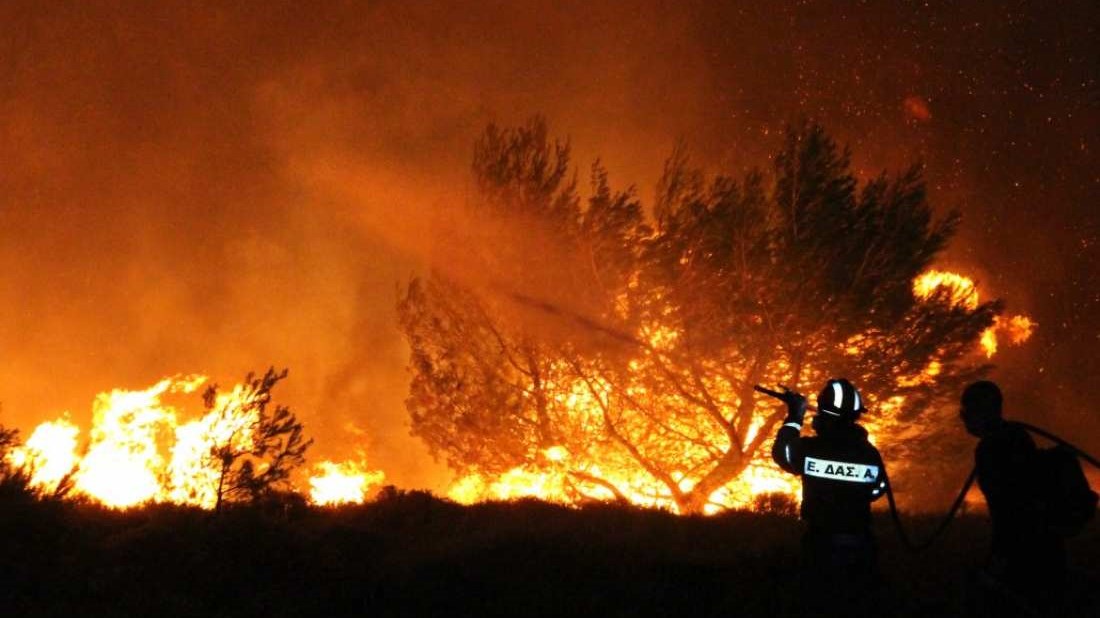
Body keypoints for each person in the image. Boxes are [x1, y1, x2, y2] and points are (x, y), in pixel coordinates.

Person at [770, 378, 887, 615]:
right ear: (856, 416)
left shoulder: (811, 449)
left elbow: (783, 452)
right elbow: (878, 489)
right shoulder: (868, 453)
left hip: (821, 540)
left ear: (822, 413)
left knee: (818, 599)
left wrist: (794, 415)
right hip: (860, 540)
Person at [959, 380, 1066, 614]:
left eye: (967, 411)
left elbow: (1011, 509)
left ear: (982, 411)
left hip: (1024, 546)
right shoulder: (1016, 435)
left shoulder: (992, 447)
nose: (963, 418)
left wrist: (1000, 559)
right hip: (1042, 541)